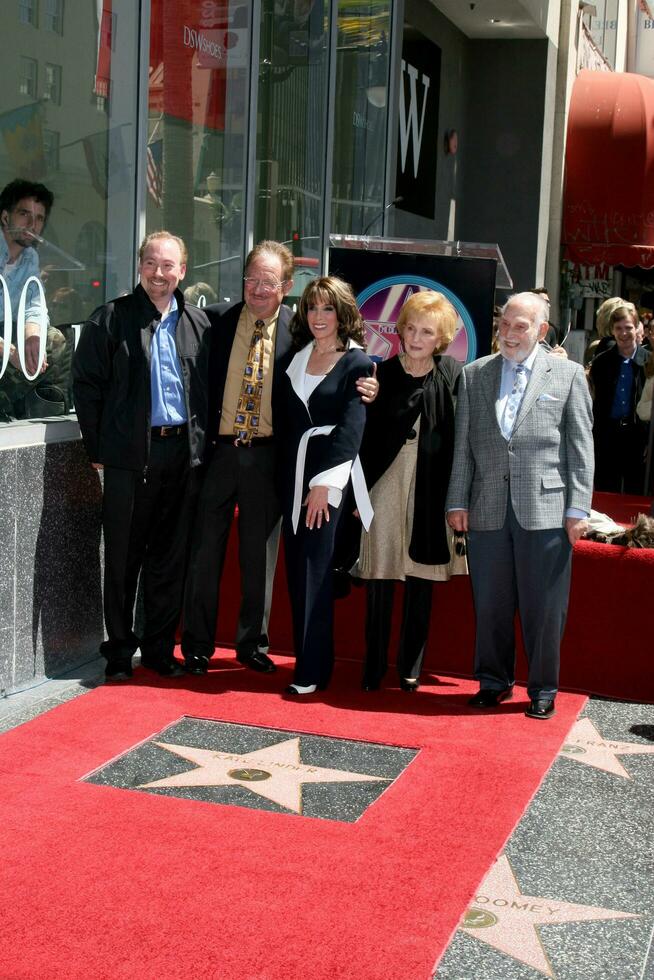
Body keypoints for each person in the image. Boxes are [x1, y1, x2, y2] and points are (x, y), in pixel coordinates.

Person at [181, 243, 377, 677]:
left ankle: (252, 644)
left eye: (269, 281)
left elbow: (343, 365)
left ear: (287, 287)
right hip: (219, 452)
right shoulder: (216, 320)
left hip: (270, 457)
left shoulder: (300, 333)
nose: (257, 289)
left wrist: (368, 388)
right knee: (204, 553)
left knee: (259, 557)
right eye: (251, 278)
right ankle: (196, 645)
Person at [446, 291, 594, 721]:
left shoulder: (567, 375)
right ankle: (493, 682)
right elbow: (463, 449)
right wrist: (457, 499)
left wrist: (578, 508)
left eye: (520, 326)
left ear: (541, 330)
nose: (509, 334)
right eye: (504, 324)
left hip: (546, 508)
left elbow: (581, 447)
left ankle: (543, 688)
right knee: (490, 603)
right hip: (487, 506)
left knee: (544, 608)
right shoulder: (474, 376)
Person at [73, 231, 212, 680]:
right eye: (151, 263)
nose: (159, 273)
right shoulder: (111, 318)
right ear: (139, 266)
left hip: (182, 457)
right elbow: (87, 387)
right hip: (130, 460)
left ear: (182, 271)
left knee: (169, 561)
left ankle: (157, 649)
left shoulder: (198, 323)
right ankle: (118, 654)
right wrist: (100, 449)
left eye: (168, 266)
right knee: (122, 559)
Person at [354, 291, 466, 692]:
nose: (417, 338)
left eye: (427, 332)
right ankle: (373, 666)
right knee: (380, 577)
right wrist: (358, 496)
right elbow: (361, 440)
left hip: (432, 483)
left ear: (441, 338)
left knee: (421, 576)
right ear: (400, 330)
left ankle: (410, 667)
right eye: (411, 329)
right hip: (385, 479)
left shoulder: (453, 375)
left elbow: (462, 436)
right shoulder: (377, 374)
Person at [279, 276, 373, 694]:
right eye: (312, 308)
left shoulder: (358, 363)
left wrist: (325, 486)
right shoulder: (294, 357)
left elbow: (352, 428)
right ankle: (310, 659)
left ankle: (311, 671)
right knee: (298, 569)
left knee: (316, 569)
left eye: (327, 308)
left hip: (329, 480)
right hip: (293, 476)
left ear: (343, 314)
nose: (318, 317)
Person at [0, 179, 69, 420]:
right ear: (5, 217)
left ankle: (35, 415)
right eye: (24, 214)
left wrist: (32, 336)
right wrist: (9, 351)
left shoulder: (29, 257)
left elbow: (35, 304)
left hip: (5, 330)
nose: (32, 224)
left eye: (39, 218)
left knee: (51, 340)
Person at [588, 303, 649, 494]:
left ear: (637, 328)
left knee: (636, 491)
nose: (624, 333)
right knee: (605, 489)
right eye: (619, 328)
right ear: (612, 331)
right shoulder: (601, 362)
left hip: (638, 436)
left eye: (628, 328)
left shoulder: (650, 361)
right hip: (607, 434)